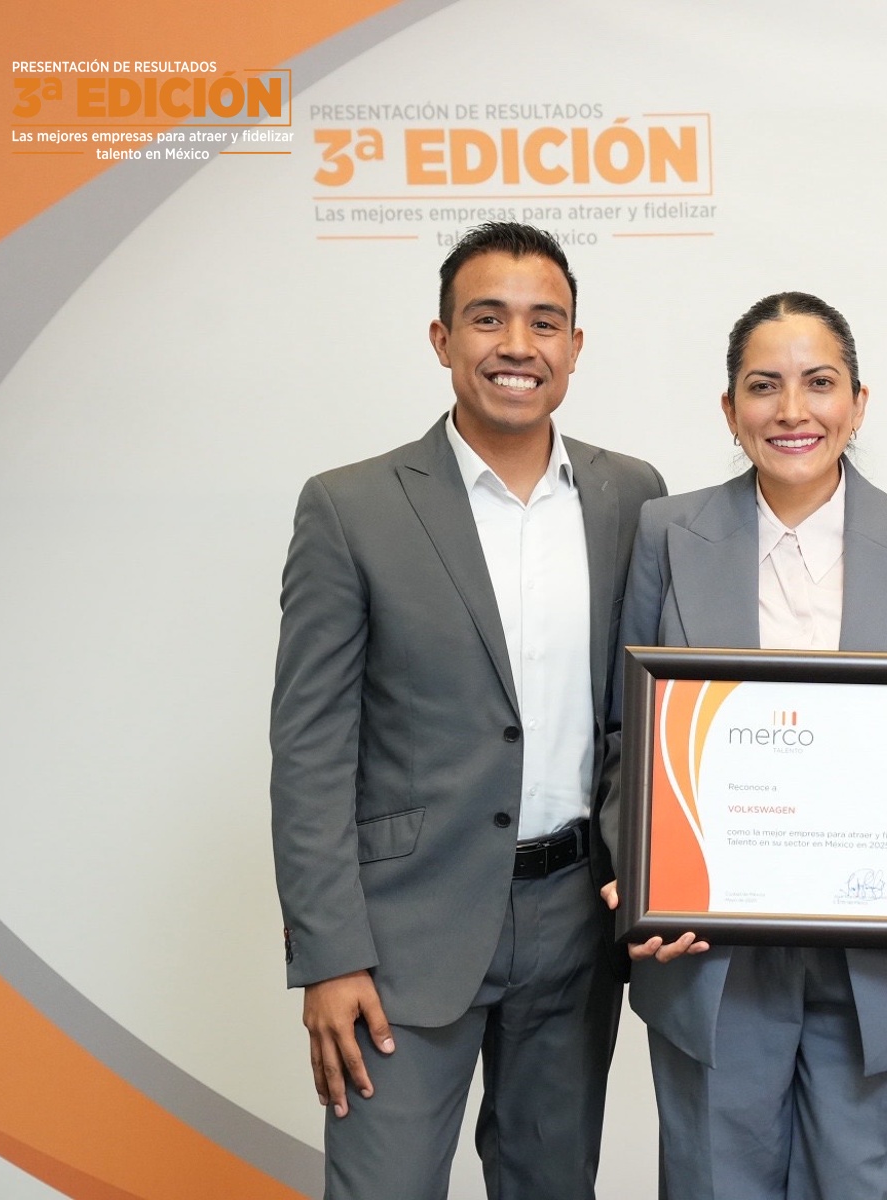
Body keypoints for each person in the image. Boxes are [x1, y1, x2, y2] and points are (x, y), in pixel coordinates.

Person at [269, 222, 665, 1200]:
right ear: (442, 338)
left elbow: (645, 714)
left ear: (576, 345)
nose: (517, 346)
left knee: (551, 1184)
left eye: (545, 323)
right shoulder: (351, 507)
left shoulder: (632, 497)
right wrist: (329, 957)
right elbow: (311, 748)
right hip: (402, 934)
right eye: (488, 319)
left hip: (575, 921)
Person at [605, 292, 887, 1200]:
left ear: (859, 401)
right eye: (763, 386)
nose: (792, 410)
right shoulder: (666, 533)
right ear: (730, 409)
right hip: (712, 954)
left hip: (886, 961)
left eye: (819, 382)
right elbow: (629, 732)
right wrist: (638, 867)